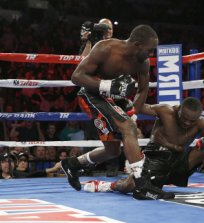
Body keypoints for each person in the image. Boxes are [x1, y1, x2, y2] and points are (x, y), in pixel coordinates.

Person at [60, 24, 174, 200]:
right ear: (137, 44)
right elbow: (76, 76)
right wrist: (105, 85)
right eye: (149, 50)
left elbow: (143, 90)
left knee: (113, 150)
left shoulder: (142, 62)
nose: (151, 55)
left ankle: (73, 164)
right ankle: (141, 184)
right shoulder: (106, 48)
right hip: (91, 95)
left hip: (113, 100)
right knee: (128, 128)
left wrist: (134, 112)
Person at [83, 97, 204, 199]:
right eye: (184, 117)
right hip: (155, 160)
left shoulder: (201, 122)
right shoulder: (165, 111)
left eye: (191, 121)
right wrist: (129, 99)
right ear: (179, 109)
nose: (187, 123)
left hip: (179, 162)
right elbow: (138, 108)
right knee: (131, 185)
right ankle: (107, 186)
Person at [80, 18, 120, 177]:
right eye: (104, 28)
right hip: (92, 91)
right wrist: (89, 38)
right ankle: (87, 166)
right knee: (91, 129)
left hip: (110, 90)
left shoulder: (117, 45)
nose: (107, 30)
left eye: (109, 28)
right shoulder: (93, 44)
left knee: (114, 128)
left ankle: (112, 165)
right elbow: (82, 62)